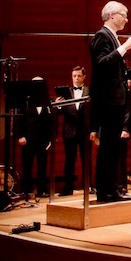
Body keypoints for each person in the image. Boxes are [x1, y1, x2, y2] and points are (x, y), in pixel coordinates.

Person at [89, 1, 131, 203]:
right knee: (108, 147)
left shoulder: (112, 37)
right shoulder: (102, 36)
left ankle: (113, 189)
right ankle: (107, 192)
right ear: (112, 15)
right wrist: (125, 47)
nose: (126, 19)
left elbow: (113, 70)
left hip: (115, 99)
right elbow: (100, 63)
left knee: (113, 147)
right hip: (108, 101)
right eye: (124, 14)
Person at [54, 66, 89, 196]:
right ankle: (68, 188)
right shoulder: (66, 93)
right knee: (69, 160)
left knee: (86, 160)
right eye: (74, 76)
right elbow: (61, 113)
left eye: (79, 76)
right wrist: (58, 105)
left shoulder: (89, 91)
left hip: (85, 131)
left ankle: (88, 186)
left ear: (84, 77)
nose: (76, 78)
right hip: (69, 131)